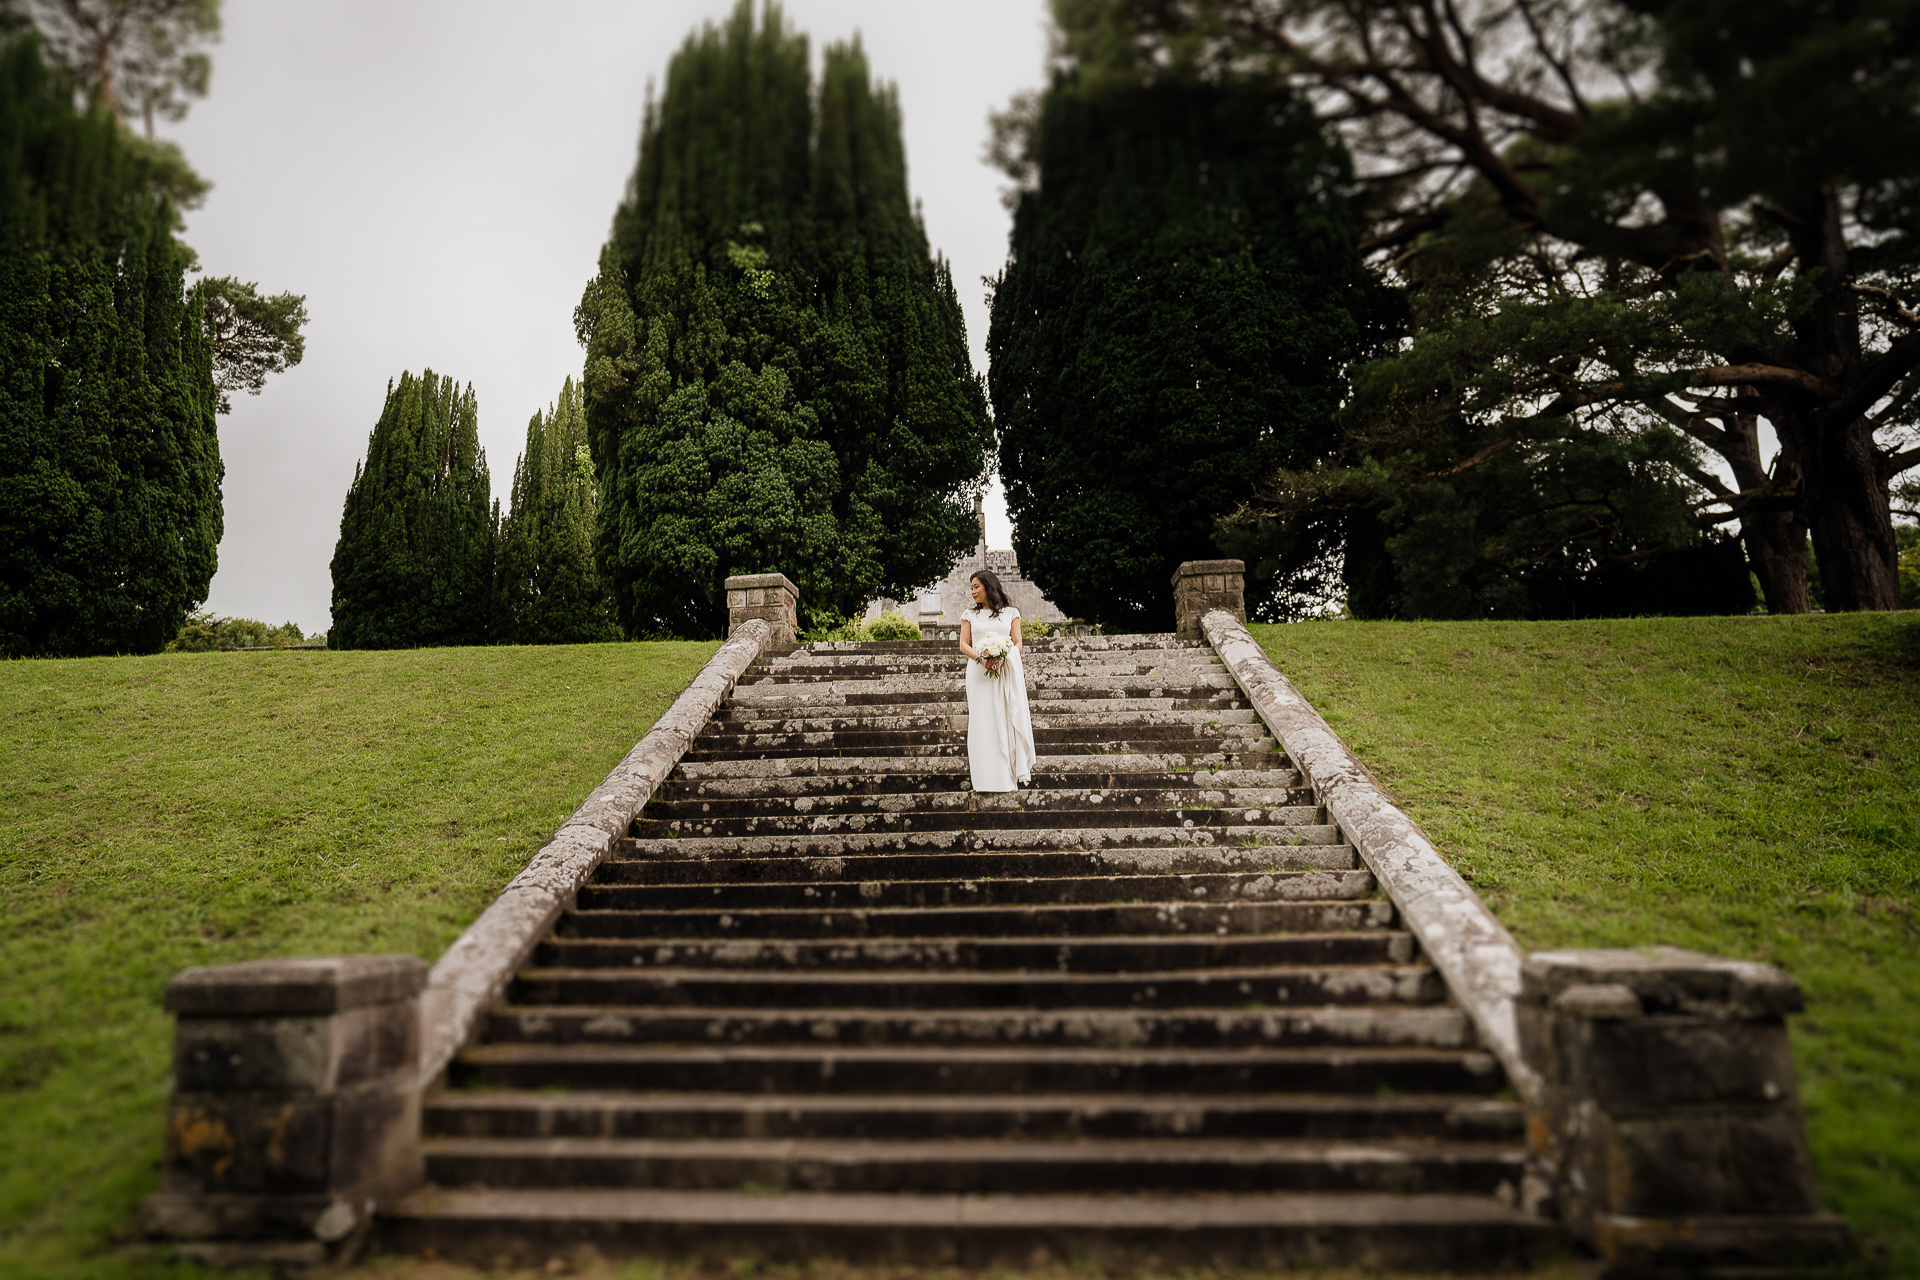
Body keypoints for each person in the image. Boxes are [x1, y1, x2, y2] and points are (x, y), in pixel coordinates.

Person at [958, 569, 1036, 792]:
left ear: (988, 586)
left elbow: (1018, 643)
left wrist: (1004, 657)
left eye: (976, 586)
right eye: (971, 587)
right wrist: (981, 659)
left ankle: (1004, 778)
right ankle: (983, 779)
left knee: (1004, 718)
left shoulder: (1011, 613)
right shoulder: (969, 615)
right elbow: (964, 644)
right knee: (982, 722)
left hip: (1004, 672)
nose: (972, 591)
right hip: (978, 673)